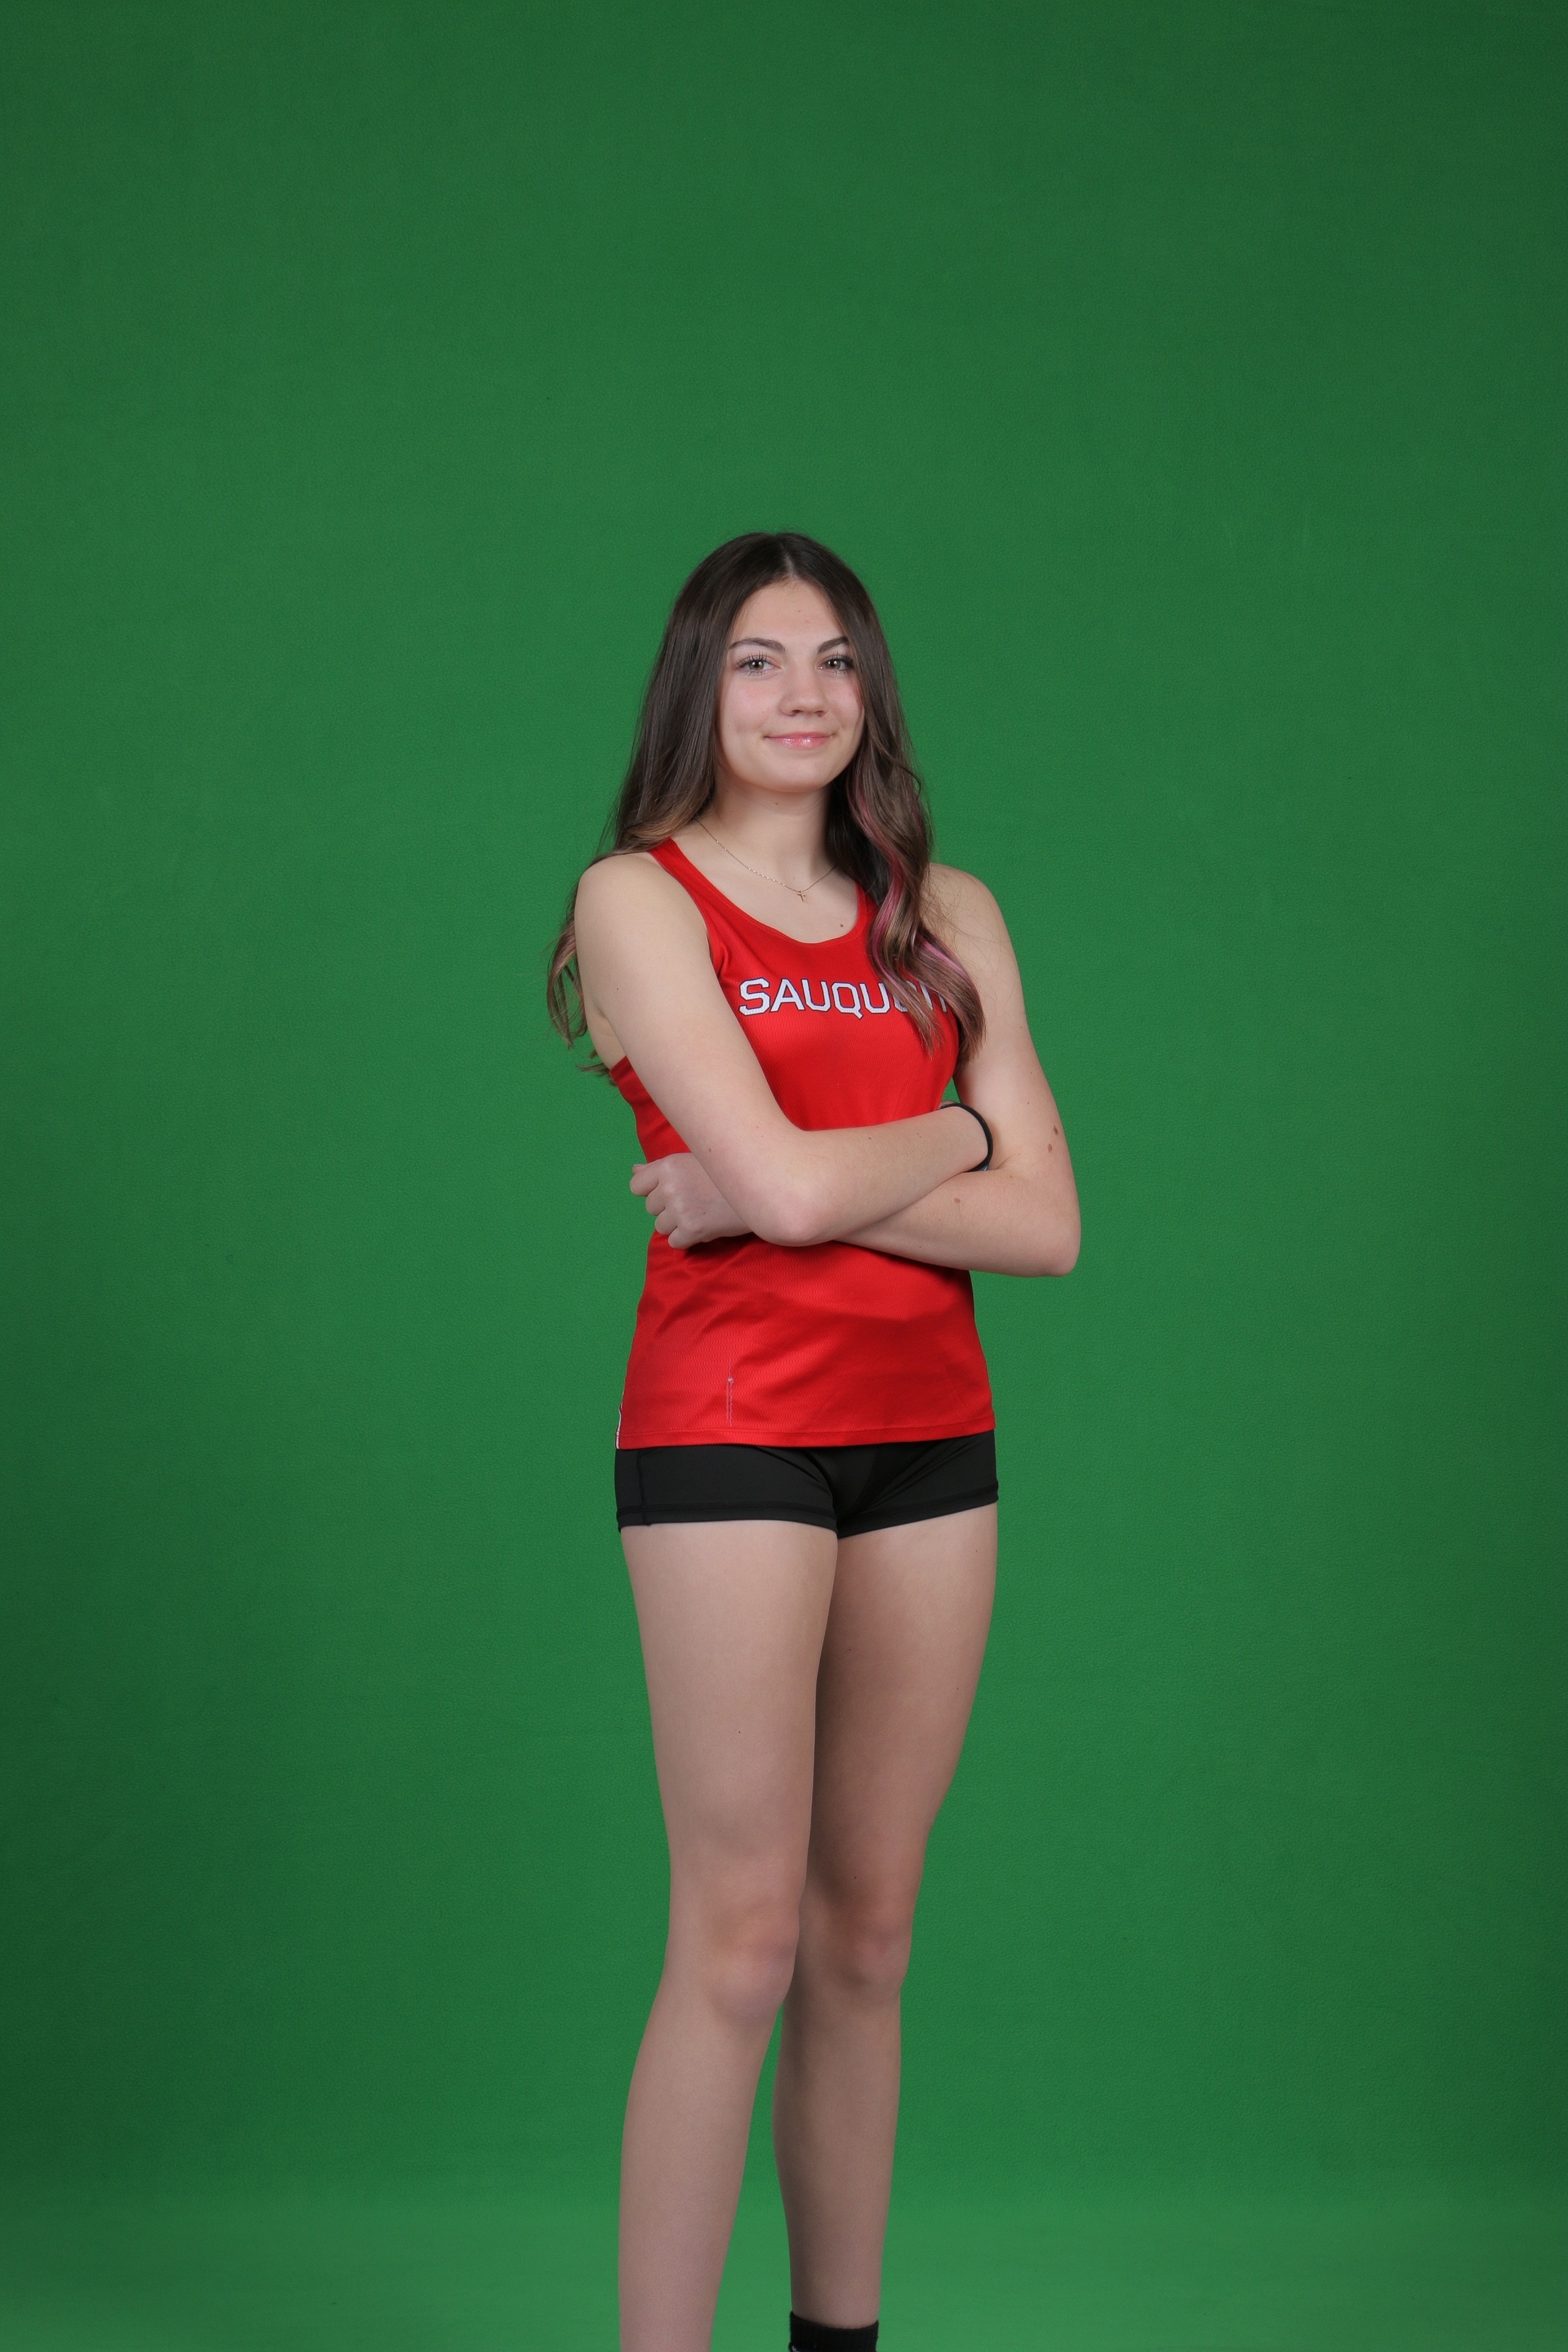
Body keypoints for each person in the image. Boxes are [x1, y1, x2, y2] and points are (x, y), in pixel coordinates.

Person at [549, 532, 1079, 2352]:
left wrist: (792, 1180)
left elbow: (1050, 1229)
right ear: (697, 685)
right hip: (734, 1441)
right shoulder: (637, 898)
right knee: (743, 1938)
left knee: (869, 1936)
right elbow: (782, 1191)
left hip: (932, 1438)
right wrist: (957, 1133)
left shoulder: (950, 912)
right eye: (760, 661)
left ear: (873, 693)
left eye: (837, 660)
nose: (804, 696)